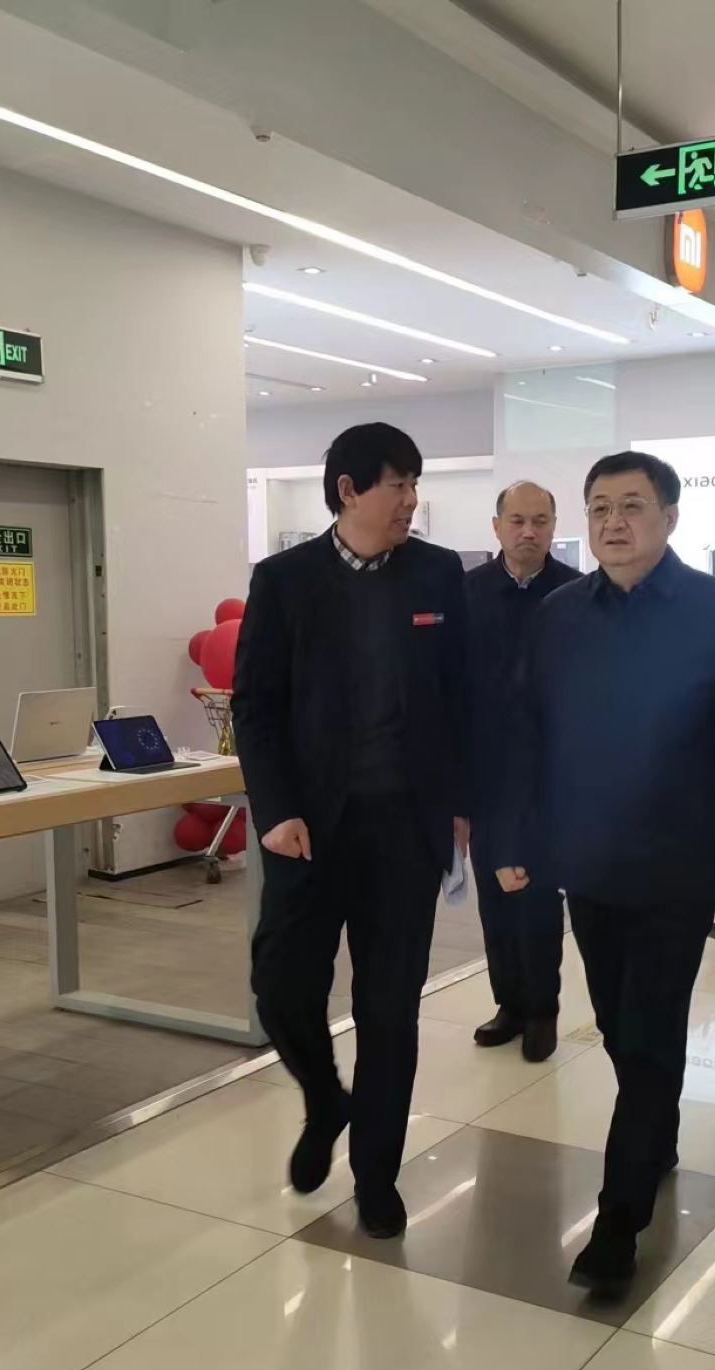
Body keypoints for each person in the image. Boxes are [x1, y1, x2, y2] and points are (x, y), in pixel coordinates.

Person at [494, 451, 715, 1297]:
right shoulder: (558, 615)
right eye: (600, 508)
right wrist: (514, 835)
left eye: (632, 506)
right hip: (588, 862)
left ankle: (619, 1223)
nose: (613, 522)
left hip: (676, 864)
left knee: (649, 1034)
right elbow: (524, 733)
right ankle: (659, 1128)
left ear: (670, 516)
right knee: (620, 1026)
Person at [232, 422, 470, 1240]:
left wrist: (463, 802)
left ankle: (377, 1174)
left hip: (404, 831)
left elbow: (460, 697)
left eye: (413, 484)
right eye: (398, 484)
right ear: (348, 490)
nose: (411, 500)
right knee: (281, 987)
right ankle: (326, 1098)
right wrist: (275, 810)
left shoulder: (438, 574)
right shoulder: (285, 581)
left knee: (389, 1008)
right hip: (309, 830)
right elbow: (255, 706)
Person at [466, 481, 579, 1061]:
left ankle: (542, 1009)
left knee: (535, 899)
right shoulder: (467, 593)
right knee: (494, 897)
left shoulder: (578, 594)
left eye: (540, 521)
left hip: (549, 776)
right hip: (487, 773)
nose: (528, 532)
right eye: (517, 520)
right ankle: (508, 1002)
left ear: (554, 526)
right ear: (497, 526)